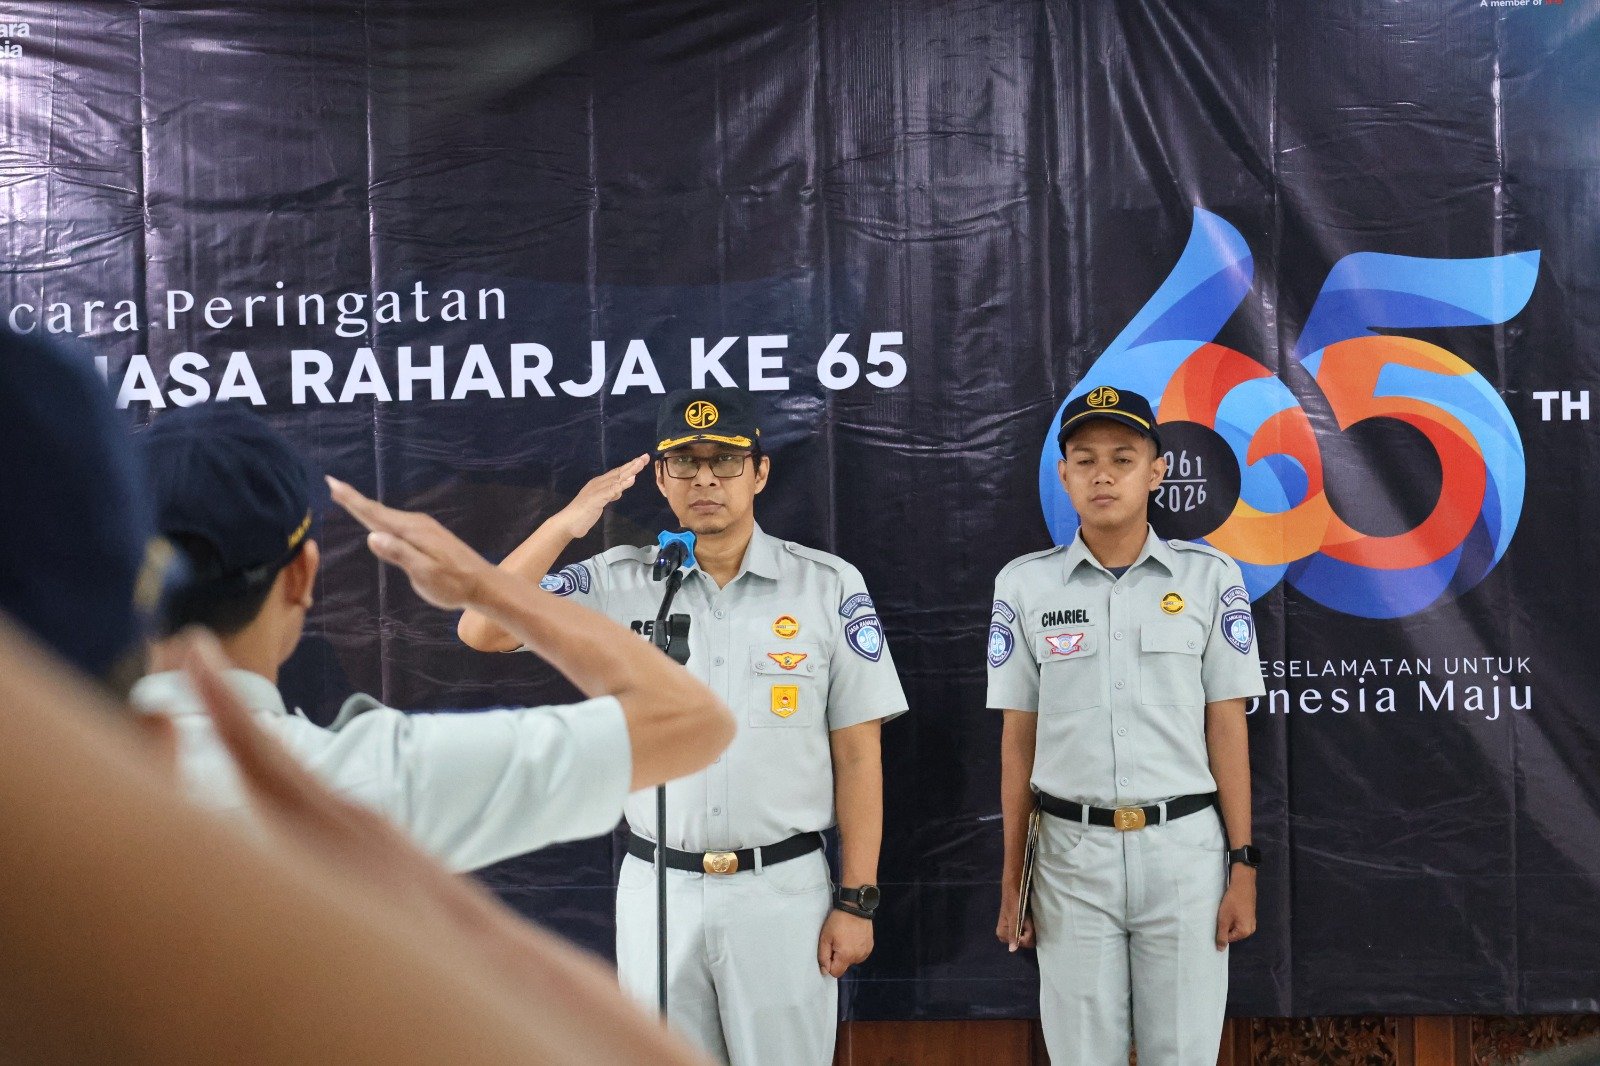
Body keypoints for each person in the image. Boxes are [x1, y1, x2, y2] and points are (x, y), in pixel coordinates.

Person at [458, 387, 909, 1066]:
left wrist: (858, 898)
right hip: (659, 890)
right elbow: (481, 627)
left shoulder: (826, 586)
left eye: (725, 462)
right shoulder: (620, 583)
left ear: (759, 473)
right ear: (662, 478)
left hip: (783, 893)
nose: (705, 480)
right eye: (686, 464)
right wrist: (567, 524)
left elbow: (857, 754)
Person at [133, 403, 734, 870]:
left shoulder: (45, 791)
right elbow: (690, 719)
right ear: (302, 575)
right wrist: (479, 582)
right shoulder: (366, 780)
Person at [987, 386, 1265, 1065]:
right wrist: (1012, 876)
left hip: (1184, 853)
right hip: (1069, 858)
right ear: (1064, 475)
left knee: (1184, 1053)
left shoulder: (1208, 578)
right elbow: (1017, 740)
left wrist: (1243, 863)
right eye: (1084, 460)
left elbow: (1227, 728)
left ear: (1157, 471)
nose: (1102, 475)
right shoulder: (1024, 586)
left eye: (1122, 457)